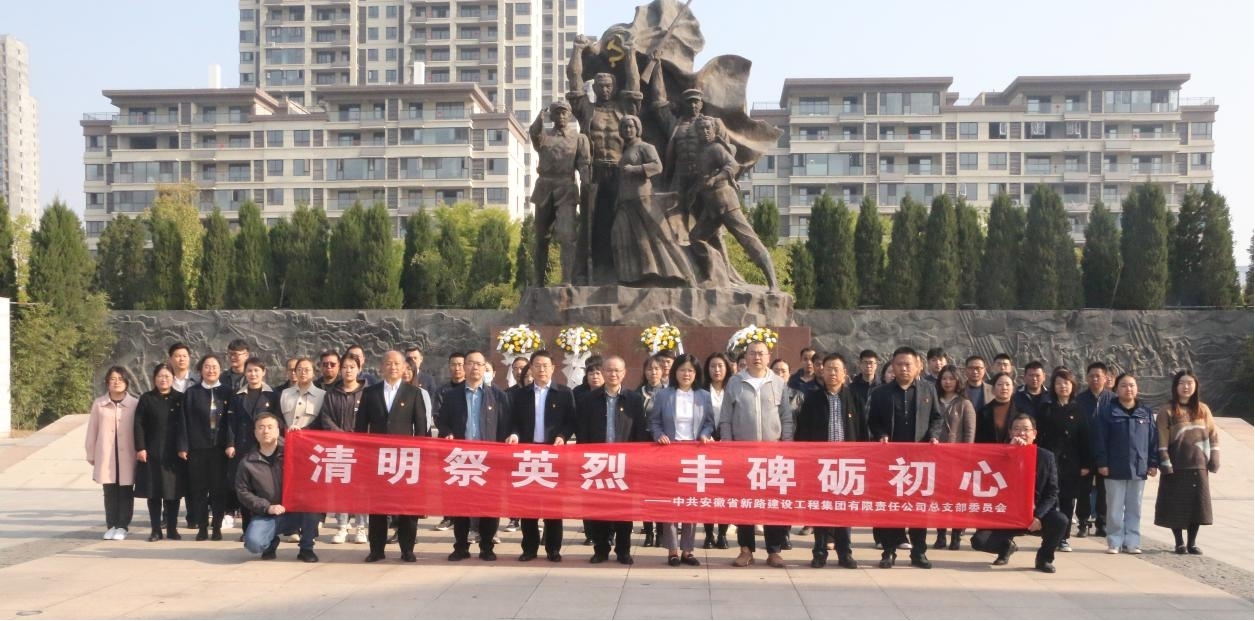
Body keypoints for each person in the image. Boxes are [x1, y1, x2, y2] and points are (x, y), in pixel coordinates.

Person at [566, 35, 643, 285]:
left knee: (625, 221)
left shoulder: (624, 109)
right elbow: (574, 81)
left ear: (614, 87)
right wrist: (577, 51)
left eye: (609, 86)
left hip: (621, 171)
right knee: (591, 224)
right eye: (601, 86)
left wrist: (630, 54)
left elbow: (635, 85)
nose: (605, 90)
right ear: (596, 88)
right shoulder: (587, 110)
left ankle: (628, 272)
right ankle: (589, 273)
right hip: (595, 172)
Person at [867, 346, 944, 569]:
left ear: (918, 366)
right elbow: (873, 421)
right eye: (899, 364)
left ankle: (919, 552)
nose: (903, 368)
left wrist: (934, 436)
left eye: (908, 364)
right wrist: (881, 435)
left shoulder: (928, 389)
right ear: (892, 366)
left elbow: (937, 418)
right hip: (891, 461)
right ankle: (888, 552)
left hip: (919, 459)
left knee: (919, 508)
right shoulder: (881, 393)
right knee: (890, 507)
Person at [719, 340, 794, 568]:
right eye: (752, 353)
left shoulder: (778, 383)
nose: (757, 357)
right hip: (743, 455)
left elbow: (786, 417)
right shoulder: (735, 382)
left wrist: (787, 446)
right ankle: (746, 549)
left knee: (773, 503)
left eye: (761, 353)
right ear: (746, 356)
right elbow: (725, 418)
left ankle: (774, 550)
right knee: (744, 503)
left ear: (768, 356)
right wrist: (728, 448)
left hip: (773, 454)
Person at [435, 350, 511, 562]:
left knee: (489, 505)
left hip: (489, 459)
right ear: (464, 367)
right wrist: (447, 432)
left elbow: (505, 424)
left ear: (485, 367)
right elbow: (442, 421)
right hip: (462, 458)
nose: (475, 367)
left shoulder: (497, 395)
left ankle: (487, 546)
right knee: (460, 504)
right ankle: (461, 546)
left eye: (479, 363)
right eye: (470, 363)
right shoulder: (452, 396)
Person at [356, 351, 431, 563]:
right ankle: (376, 549)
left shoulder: (413, 393)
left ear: (405, 367)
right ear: (381, 367)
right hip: (377, 459)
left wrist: (420, 457)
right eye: (388, 363)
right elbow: (360, 427)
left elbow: (421, 429)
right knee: (377, 506)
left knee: (407, 506)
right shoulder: (370, 393)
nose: (393, 367)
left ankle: (407, 549)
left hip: (405, 459)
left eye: (397, 363)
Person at [687, 116, 779, 290]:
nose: (705, 132)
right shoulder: (700, 152)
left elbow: (733, 165)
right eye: (701, 129)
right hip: (712, 207)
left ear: (713, 130)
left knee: (749, 240)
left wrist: (715, 179)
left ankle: (773, 284)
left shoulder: (716, 148)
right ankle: (715, 275)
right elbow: (702, 179)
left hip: (726, 202)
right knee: (696, 238)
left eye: (707, 128)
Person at [969, 414, 1069, 573]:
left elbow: (1052, 492)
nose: (1021, 433)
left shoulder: (1046, 457)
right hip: (1006, 514)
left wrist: (1039, 516)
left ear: (1034, 434)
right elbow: (989, 482)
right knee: (979, 541)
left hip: (1034, 514)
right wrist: (1010, 452)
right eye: (1016, 429)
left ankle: (1044, 559)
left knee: (1060, 521)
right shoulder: (1000, 455)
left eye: (1026, 429)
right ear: (1010, 433)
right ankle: (1005, 547)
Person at [578, 355, 650, 565]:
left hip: (624, 463)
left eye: (617, 370)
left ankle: (623, 550)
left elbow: (640, 431)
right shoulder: (589, 399)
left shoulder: (634, 399)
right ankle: (601, 550)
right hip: (597, 462)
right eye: (609, 370)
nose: (613, 374)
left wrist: (637, 459)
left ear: (624, 373)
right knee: (598, 508)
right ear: (603, 372)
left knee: (623, 509)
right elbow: (582, 431)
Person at [795, 353, 862, 569]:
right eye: (828, 369)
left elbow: (862, 431)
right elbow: (803, 431)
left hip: (846, 463)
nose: (832, 373)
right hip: (820, 464)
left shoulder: (854, 398)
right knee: (821, 508)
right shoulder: (813, 398)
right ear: (821, 372)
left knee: (844, 509)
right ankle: (820, 552)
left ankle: (845, 553)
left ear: (844, 373)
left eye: (836, 369)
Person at [647, 354, 715, 567]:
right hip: (669, 453)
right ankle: (673, 550)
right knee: (670, 502)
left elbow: (710, 423)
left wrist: (704, 434)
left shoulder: (704, 396)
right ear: (675, 372)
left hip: (694, 454)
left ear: (696, 374)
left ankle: (688, 550)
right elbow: (654, 422)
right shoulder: (664, 395)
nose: (686, 374)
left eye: (691, 371)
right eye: (683, 370)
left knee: (690, 503)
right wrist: (659, 435)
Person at [508, 350, 575, 562]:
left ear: (553, 368)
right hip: (528, 455)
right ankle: (529, 548)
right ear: (531, 368)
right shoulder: (521, 395)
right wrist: (514, 434)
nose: (542, 369)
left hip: (553, 455)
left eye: (546, 365)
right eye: (537, 365)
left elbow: (571, 421)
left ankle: (553, 549)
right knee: (528, 506)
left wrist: (563, 436)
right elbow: (513, 421)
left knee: (553, 506)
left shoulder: (564, 393)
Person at [612, 114, 694, 286]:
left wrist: (634, 169)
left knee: (661, 235)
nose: (628, 130)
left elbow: (657, 166)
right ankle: (635, 276)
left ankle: (685, 275)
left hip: (643, 197)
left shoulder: (645, 147)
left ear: (637, 129)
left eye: (631, 126)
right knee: (623, 235)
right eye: (624, 127)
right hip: (626, 201)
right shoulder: (625, 150)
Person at [236, 411, 319, 563]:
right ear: (255, 432)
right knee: (253, 544)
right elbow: (243, 491)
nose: (265, 431)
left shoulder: (291, 451)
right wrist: (267, 507)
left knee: (313, 506)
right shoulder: (248, 462)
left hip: (296, 510)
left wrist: (299, 438)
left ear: (278, 430)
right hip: (267, 513)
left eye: (270, 427)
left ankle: (306, 549)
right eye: (261, 427)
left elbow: (312, 460)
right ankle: (270, 543)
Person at [1092, 373, 1159, 555]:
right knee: (1114, 507)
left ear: (1137, 388)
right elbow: (1100, 440)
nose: (1128, 389)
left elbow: (1153, 440)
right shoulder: (1107, 412)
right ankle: (1114, 541)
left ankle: (1132, 542)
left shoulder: (1145, 412)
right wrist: (1102, 463)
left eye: (1131, 385)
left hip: (1139, 467)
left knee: (1134, 507)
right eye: (1123, 385)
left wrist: (1153, 463)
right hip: (1114, 467)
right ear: (1116, 389)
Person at [1154, 370, 1220, 555]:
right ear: (1175, 386)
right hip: (1177, 465)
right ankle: (1179, 543)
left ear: (1195, 386)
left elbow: (1213, 434)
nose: (1186, 386)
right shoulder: (1167, 410)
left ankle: (1192, 543)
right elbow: (1161, 438)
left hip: (1198, 465)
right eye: (1182, 383)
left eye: (1190, 383)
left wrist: (1214, 456)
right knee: (1176, 505)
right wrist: (1165, 461)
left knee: (1196, 505)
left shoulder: (1203, 409)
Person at [529, 99, 591, 286]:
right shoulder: (544, 136)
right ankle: (538, 281)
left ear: (570, 115)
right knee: (541, 237)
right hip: (544, 187)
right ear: (552, 116)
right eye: (557, 113)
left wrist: (587, 183)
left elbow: (583, 164)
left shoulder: (579, 138)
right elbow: (534, 134)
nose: (561, 116)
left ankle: (566, 280)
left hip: (566, 188)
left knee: (567, 235)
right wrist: (539, 119)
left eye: (564, 113)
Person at [177, 354, 234, 541]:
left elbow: (231, 422)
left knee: (218, 490)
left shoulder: (227, 392)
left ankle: (216, 527)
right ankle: (202, 527)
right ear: (200, 370)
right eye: (207, 367)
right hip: (197, 449)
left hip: (220, 449)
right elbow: (184, 421)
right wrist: (183, 446)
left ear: (220, 370)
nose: (211, 370)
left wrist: (230, 443)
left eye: (215, 367)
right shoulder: (192, 393)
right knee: (199, 490)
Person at [315, 352, 368, 545]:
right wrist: (341, 435)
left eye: (352, 367)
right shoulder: (332, 394)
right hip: (339, 447)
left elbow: (370, 418)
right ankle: (342, 526)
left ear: (359, 369)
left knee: (361, 489)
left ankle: (361, 527)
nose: (348, 371)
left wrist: (357, 436)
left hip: (361, 448)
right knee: (341, 487)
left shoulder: (367, 393)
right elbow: (326, 417)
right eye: (345, 367)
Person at [1036, 367, 1089, 554]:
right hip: (1050, 461)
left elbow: (1085, 439)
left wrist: (1085, 464)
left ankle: (1064, 538)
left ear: (1072, 385)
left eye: (1066, 383)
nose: (1062, 386)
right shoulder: (1046, 408)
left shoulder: (1079, 409)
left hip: (1071, 463)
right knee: (1049, 499)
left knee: (1067, 500)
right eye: (1058, 383)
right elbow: (1039, 436)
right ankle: (1049, 535)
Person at [224, 357, 279, 535]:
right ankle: (247, 529)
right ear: (245, 373)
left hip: (265, 448)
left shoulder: (273, 395)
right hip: (243, 446)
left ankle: (265, 528)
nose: (253, 374)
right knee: (246, 488)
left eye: (256, 370)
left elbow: (277, 422)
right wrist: (230, 444)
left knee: (263, 488)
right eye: (249, 371)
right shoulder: (237, 396)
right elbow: (231, 422)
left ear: (264, 372)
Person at [134, 363, 186, 541]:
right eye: (160, 376)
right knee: (154, 493)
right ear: (154, 379)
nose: (164, 379)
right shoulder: (146, 398)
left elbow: (185, 425)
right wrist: (140, 447)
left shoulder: (180, 398)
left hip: (174, 453)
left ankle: (172, 528)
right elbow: (138, 424)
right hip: (152, 452)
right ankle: (156, 529)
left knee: (173, 494)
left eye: (167, 376)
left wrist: (183, 447)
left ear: (173, 378)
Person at [86, 367, 139, 541]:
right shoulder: (99, 404)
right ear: (107, 382)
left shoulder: (134, 404)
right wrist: (91, 452)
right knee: (109, 492)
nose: (116, 382)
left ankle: (122, 525)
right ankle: (111, 525)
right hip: (106, 455)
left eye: (120, 379)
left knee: (125, 491)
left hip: (128, 454)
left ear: (127, 382)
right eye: (113, 379)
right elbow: (92, 430)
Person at [933, 364, 975, 551]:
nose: (947, 382)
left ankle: (956, 535)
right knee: (940, 498)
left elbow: (969, 433)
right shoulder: (934, 400)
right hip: (937, 458)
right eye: (944, 378)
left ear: (958, 381)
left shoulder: (964, 403)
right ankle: (941, 535)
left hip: (958, 459)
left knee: (958, 499)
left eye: (951, 378)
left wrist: (966, 457)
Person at [1075, 362, 1114, 538]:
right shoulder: (1079, 400)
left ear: (1106, 378)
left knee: (1104, 491)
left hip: (1106, 453)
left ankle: (1102, 523)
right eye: (1091, 376)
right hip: (1085, 451)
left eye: (1098, 376)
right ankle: (1083, 523)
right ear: (1087, 378)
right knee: (1083, 490)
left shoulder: (1113, 400)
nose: (1095, 379)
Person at [701, 351, 733, 550]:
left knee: (725, 493)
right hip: (707, 444)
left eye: (720, 366)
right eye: (713, 366)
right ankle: (708, 534)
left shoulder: (733, 388)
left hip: (728, 446)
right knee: (708, 492)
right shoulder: (701, 390)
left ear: (727, 368)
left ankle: (722, 533)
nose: (717, 370)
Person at [636, 354, 667, 548]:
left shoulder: (670, 393)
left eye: (657, 368)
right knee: (645, 492)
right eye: (649, 369)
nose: (653, 372)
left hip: (664, 446)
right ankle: (648, 531)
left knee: (662, 491)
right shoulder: (636, 394)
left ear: (663, 371)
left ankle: (662, 532)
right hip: (643, 447)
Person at [976, 373, 1023, 445]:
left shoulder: (1021, 411)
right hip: (990, 450)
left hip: (1015, 449)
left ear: (1013, 388)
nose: (1004, 387)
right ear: (993, 389)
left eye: (1007, 384)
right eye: (1000, 384)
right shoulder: (983, 412)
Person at [281, 358, 324, 432]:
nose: (303, 372)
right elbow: (279, 417)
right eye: (299, 369)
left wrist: (301, 431)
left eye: (307, 370)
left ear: (313, 373)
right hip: (287, 436)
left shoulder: (322, 395)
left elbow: (321, 421)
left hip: (309, 437)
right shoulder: (285, 394)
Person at [849, 350, 879, 425]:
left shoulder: (882, 388)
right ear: (860, 364)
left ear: (876, 365)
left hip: (877, 429)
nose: (868, 366)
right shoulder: (851, 388)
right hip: (857, 428)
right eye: (865, 362)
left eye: (871, 363)